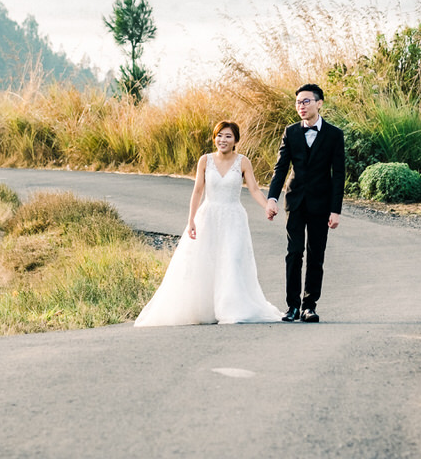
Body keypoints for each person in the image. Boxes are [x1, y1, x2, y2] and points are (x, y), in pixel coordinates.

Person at [134, 121, 282, 327]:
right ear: (215, 138)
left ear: (236, 141)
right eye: (219, 135)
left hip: (233, 218)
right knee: (206, 260)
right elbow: (197, 191)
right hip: (209, 216)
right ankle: (206, 309)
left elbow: (254, 189)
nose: (223, 140)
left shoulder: (243, 162)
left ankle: (231, 308)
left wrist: (267, 206)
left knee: (231, 260)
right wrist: (191, 220)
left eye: (228, 136)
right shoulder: (205, 160)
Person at [265, 83, 345, 323]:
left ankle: (309, 306)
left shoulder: (334, 134)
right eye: (298, 102)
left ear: (319, 103)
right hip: (296, 201)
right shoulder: (291, 132)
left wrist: (336, 210)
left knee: (315, 255)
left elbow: (338, 174)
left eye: (306, 101)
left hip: (322, 204)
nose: (301, 106)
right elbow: (280, 168)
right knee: (294, 253)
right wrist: (272, 198)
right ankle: (292, 306)